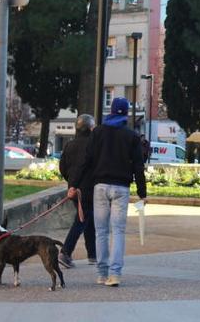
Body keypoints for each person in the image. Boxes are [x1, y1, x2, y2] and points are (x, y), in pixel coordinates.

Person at [68, 97, 146, 287]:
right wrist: (142, 193)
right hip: (121, 187)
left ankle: (102, 274)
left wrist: (73, 184)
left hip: (100, 186)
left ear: (110, 110)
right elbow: (138, 166)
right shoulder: (132, 136)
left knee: (101, 232)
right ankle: (115, 274)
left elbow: (86, 161)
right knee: (118, 231)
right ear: (126, 113)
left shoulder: (98, 133)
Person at [58, 114, 96, 268]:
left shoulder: (69, 145)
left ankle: (92, 254)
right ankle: (65, 252)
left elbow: (62, 168)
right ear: (91, 128)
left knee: (88, 220)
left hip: (74, 190)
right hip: (87, 190)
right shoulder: (93, 145)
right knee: (82, 220)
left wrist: (71, 184)